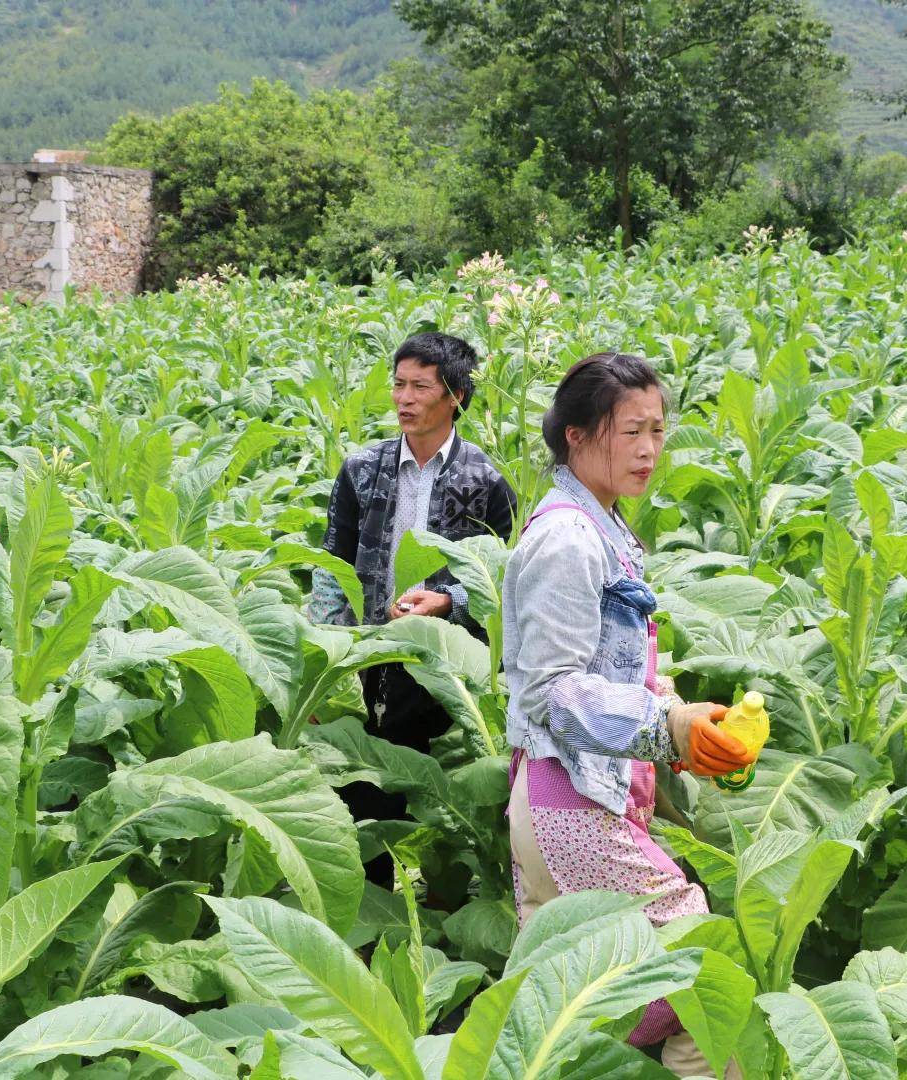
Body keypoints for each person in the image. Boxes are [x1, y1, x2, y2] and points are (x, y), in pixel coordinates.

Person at [503, 352, 750, 1078]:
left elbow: (610, 667)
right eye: (629, 431)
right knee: (703, 967)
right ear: (576, 435)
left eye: (657, 431)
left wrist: (681, 715)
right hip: (569, 805)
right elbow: (553, 690)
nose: (648, 449)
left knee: (574, 1011)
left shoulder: (598, 526)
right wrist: (665, 727)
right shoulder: (568, 540)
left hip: (570, 802)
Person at [311, 333, 516, 875]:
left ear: (456, 396)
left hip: (447, 665)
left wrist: (449, 601)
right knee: (367, 792)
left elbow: (502, 580)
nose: (404, 398)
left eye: (420, 387)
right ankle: (371, 900)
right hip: (370, 656)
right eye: (398, 384)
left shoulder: (487, 481)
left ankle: (440, 891)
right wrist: (325, 660)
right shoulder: (361, 469)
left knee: (440, 797)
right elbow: (332, 568)